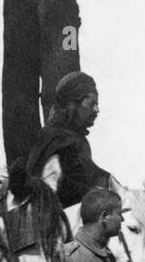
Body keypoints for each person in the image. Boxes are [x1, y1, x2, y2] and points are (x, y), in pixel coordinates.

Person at [26, 71, 111, 210]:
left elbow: (91, 174)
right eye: (91, 103)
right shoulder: (58, 139)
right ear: (73, 104)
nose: (97, 110)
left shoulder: (72, 139)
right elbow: (73, 185)